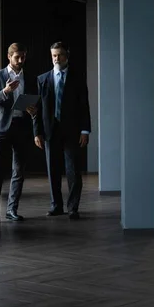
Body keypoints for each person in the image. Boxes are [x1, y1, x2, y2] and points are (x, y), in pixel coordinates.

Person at [33, 42, 91, 219]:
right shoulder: (42, 79)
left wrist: (85, 131)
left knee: (73, 170)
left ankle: (73, 207)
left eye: (60, 55)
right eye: (54, 56)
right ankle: (56, 205)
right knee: (53, 170)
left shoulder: (77, 77)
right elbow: (38, 108)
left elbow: (84, 106)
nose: (57, 58)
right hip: (51, 131)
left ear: (67, 55)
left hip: (72, 131)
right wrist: (37, 132)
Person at [0, 43, 37, 223]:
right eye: (17, 57)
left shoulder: (28, 77)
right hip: (0, 128)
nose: (21, 61)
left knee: (18, 171)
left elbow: (35, 100)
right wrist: (5, 91)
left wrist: (32, 109)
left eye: (23, 57)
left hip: (21, 126)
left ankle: (12, 210)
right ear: (9, 57)